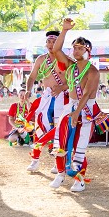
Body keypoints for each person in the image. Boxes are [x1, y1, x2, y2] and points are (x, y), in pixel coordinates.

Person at [48, 17, 104, 192]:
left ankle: (79, 180)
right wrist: (64, 30)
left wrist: (76, 113)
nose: (76, 50)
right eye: (74, 48)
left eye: (81, 48)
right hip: (71, 106)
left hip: (85, 110)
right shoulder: (70, 66)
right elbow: (56, 49)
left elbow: (86, 94)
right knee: (60, 141)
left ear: (88, 51)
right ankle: (60, 173)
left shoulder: (93, 71)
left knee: (79, 147)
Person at [24, 30, 69, 174]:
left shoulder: (66, 59)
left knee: (60, 129)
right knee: (40, 126)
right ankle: (35, 160)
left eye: (54, 42)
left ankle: (58, 163)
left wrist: (62, 86)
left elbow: (76, 79)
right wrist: (28, 90)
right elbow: (32, 77)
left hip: (63, 97)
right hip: (47, 97)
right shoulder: (41, 59)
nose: (51, 44)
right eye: (49, 41)